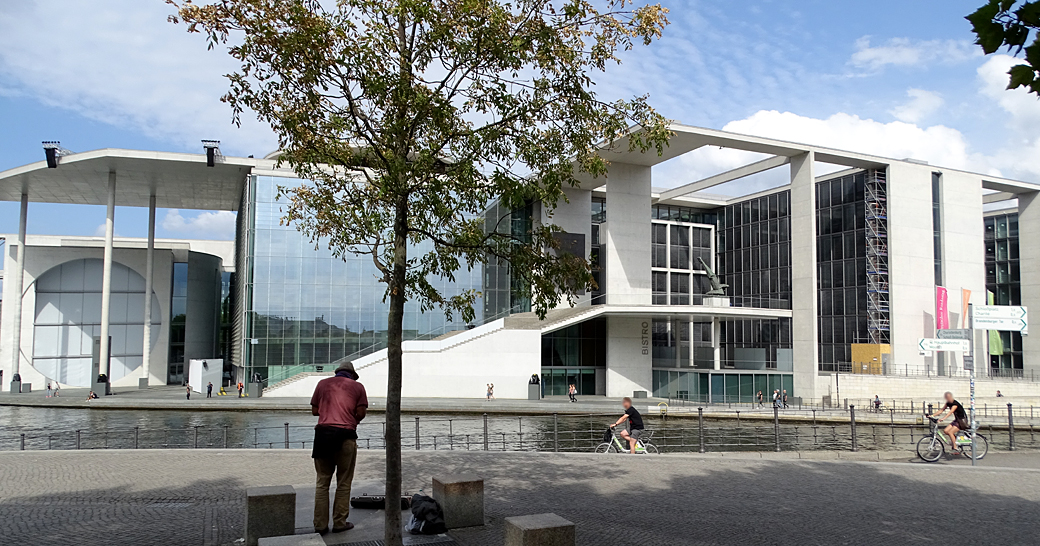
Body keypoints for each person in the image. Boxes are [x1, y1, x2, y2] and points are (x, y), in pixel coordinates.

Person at [310, 361, 368, 535]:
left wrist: (330, 411)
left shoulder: (322, 384)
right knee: (343, 482)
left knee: (322, 483)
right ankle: (339, 523)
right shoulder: (358, 387)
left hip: (323, 435)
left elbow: (314, 411)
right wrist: (351, 419)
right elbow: (361, 413)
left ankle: (320, 525)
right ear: (352, 374)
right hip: (345, 436)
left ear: (337, 373)